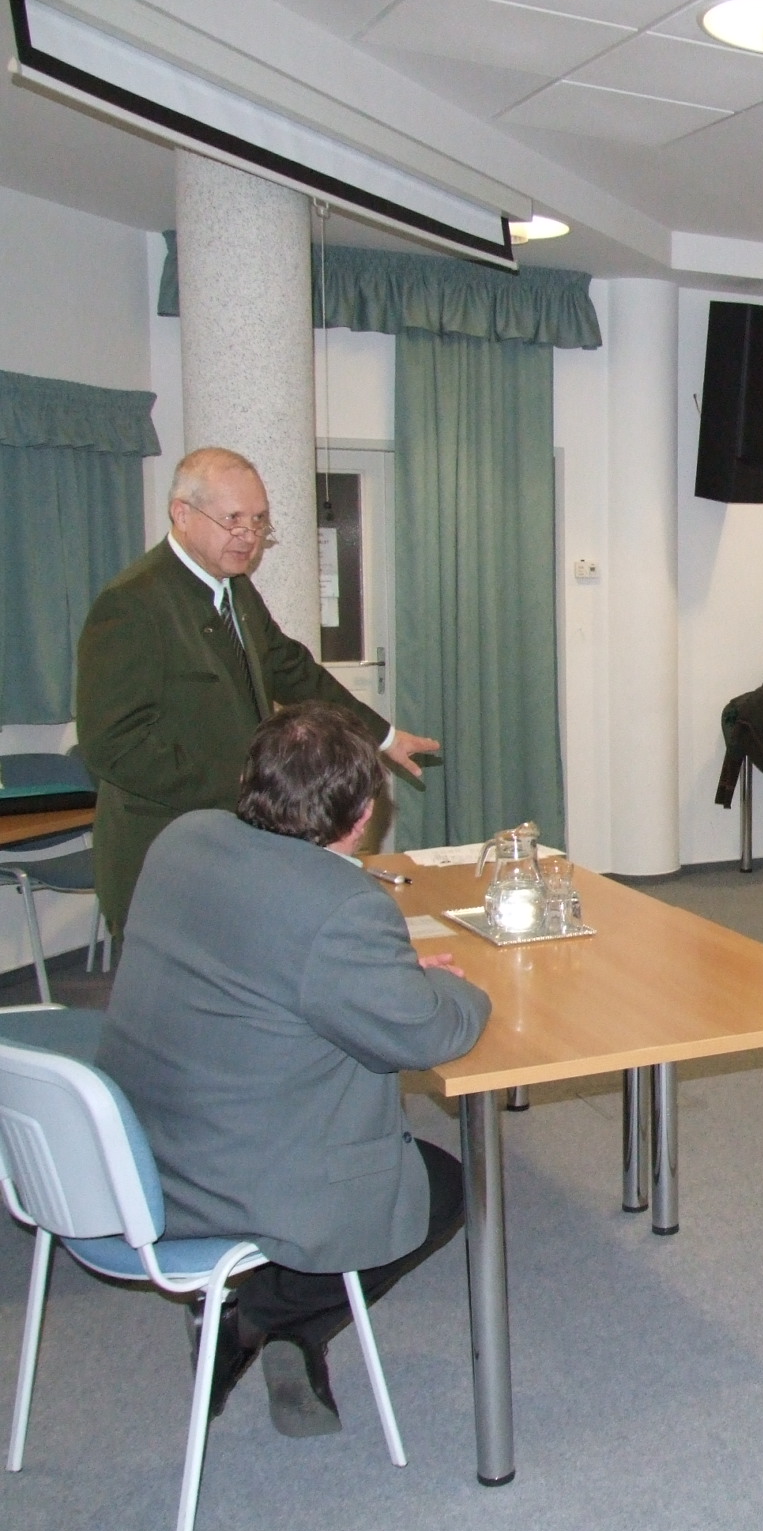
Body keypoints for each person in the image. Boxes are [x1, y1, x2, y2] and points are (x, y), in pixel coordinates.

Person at [97, 703, 489, 1433]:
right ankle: (263, 1318)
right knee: (441, 1187)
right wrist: (467, 989)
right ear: (364, 816)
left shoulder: (182, 839)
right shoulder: (342, 904)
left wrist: (381, 973)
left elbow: (268, 949)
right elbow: (428, 1032)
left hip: (132, 1147)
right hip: (226, 1180)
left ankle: (279, 1328)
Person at [74, 447, 439, 939]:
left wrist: (383, 736)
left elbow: (294, 672)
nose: (248, 536)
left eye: (259, 521)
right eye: (233, 520)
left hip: (236, 845)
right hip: (166, 850)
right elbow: (114, 746)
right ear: (182, 514)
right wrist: (248, 789)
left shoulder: (236, 590)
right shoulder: (133, 603)